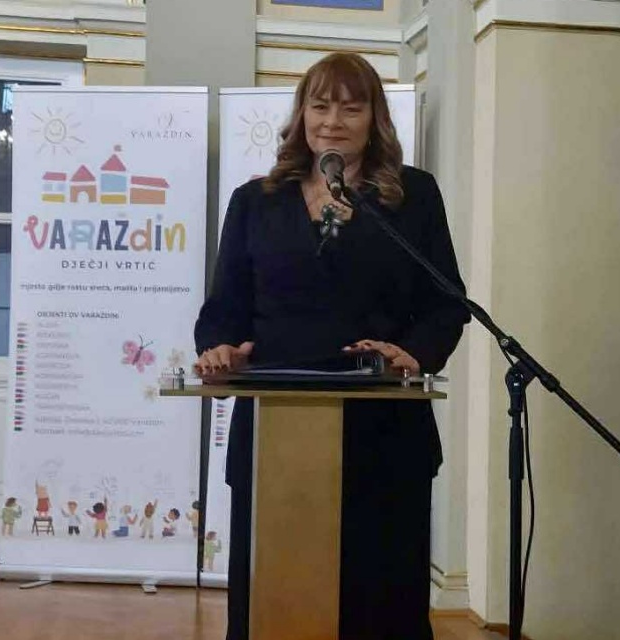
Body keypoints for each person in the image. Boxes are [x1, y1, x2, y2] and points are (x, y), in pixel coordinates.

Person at [194, 52, 470, 640]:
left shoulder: (413, 197)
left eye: (351, 108)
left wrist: (413, 353)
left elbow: (447, 303)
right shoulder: (255, 201)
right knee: (275, 603)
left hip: (384, 433)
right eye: (320, 106)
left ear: (375, 119)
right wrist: (221, 349)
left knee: (380, 605)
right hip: (278, 433)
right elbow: (223, 310)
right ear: (301, 115)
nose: (333, 121)